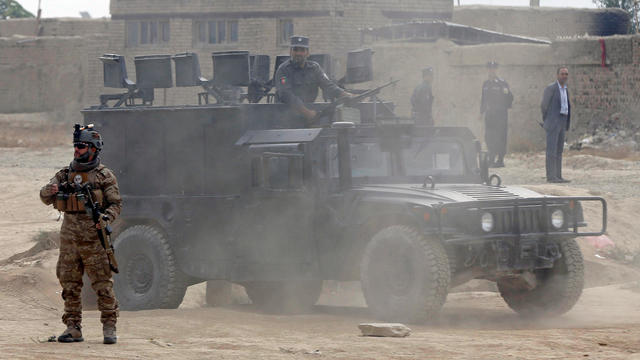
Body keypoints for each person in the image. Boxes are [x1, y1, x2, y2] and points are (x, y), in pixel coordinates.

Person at [39, 124, 122, 344]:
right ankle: (73, 327)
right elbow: (45, 196)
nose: (77, 150)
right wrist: (49, 191)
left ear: (93, 149)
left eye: (82, 146)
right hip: (69, 240)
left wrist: (105, 219)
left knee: (102, 284)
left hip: (94, 240)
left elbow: (115, 205)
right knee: (70, 284)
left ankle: (109, 327)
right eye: (76, 146)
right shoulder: (65, 174)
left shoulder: (105, 176)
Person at [275, 35, 351, 125]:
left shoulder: (314, 68)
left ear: (307, 53)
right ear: (290, 52)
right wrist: (307, 113)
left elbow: (327, 85)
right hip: (286, 118)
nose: (298, 53)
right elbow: (286, 95)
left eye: (302, 50)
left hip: (311, 114)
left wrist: (345, 94)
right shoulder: (283, 69)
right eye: (295, 50)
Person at [540, 66, 571, 183]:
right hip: (553, 122)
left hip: (562, 121)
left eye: (566, 74)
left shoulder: (565, 89)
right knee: (551, 151)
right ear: (557, 75)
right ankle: (551, 176)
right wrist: (547, 120)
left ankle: (558, 175)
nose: (564, 76)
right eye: (562, 74)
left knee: (559, 151)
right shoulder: (551, 88)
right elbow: (544, 105)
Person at [480, 61, 513, 168]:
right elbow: (483, 99)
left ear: (496, 70)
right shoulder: (485, 84)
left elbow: (510, 98)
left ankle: (500, 159)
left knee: (501, 136)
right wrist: (481, 112)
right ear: (488, 70)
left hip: (501, 116)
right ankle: (491, 158)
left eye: (494, 69)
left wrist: (506, 97)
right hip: (490, 116)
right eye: (490, 68)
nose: (492, 70)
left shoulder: (502, 83)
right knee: (489, 137)